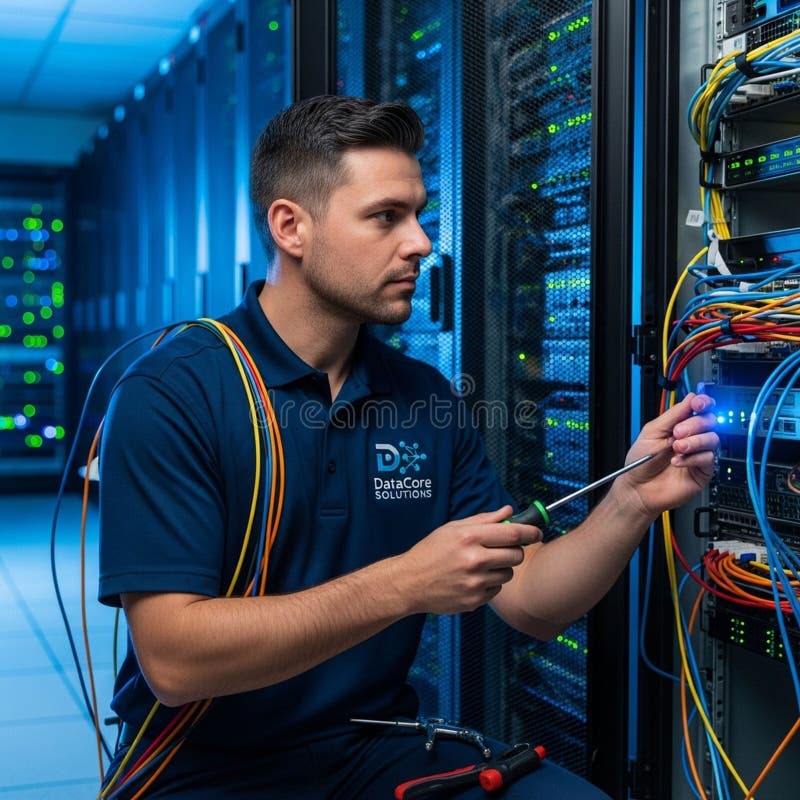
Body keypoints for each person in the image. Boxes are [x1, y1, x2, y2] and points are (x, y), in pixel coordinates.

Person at [98, 95, 718, 799]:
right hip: (203, 766)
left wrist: (628, 504)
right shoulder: (174, 392)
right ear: (290, 227)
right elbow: (175, 662)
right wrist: (405, 583)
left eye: (419, 215)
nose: (421, 242)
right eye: (386, 217)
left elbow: (532, 602)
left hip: (370, 748)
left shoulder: (420, 395)